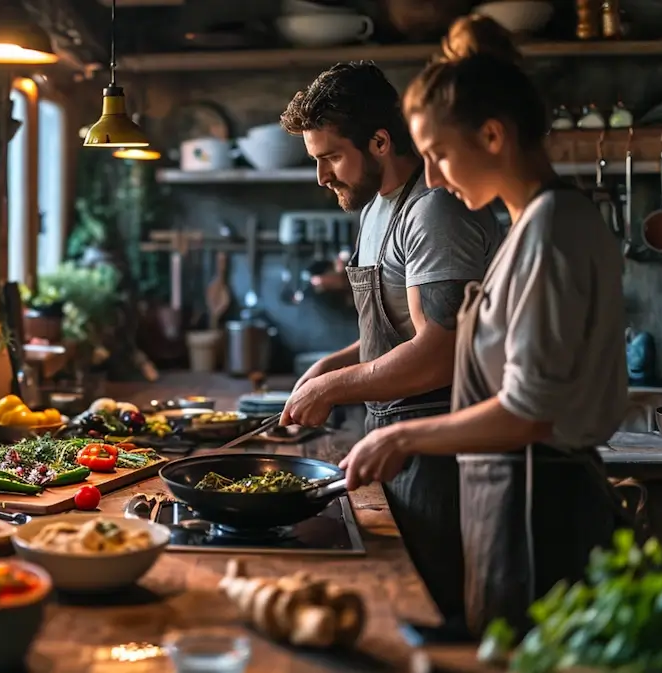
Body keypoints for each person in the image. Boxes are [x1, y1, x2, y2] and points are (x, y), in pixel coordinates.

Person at [338, 14, 631, 638]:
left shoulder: (553, 231)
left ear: (493, 135)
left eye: (440, 154)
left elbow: (528, 412)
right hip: (511, 498)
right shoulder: (534, 227)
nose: (435, 178)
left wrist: (403, 439)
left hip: (542, 511)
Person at [278, 61, 503, 635]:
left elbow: (440, 352)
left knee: (441, 610)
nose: (322, 176)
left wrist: (334, 387)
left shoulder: (434, 212)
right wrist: (331, 365)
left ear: (380, 140)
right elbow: (395, 328)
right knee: (404, 604)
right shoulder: (377, 209)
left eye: (330, 157)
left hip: (443, 448)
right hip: (392, 434)